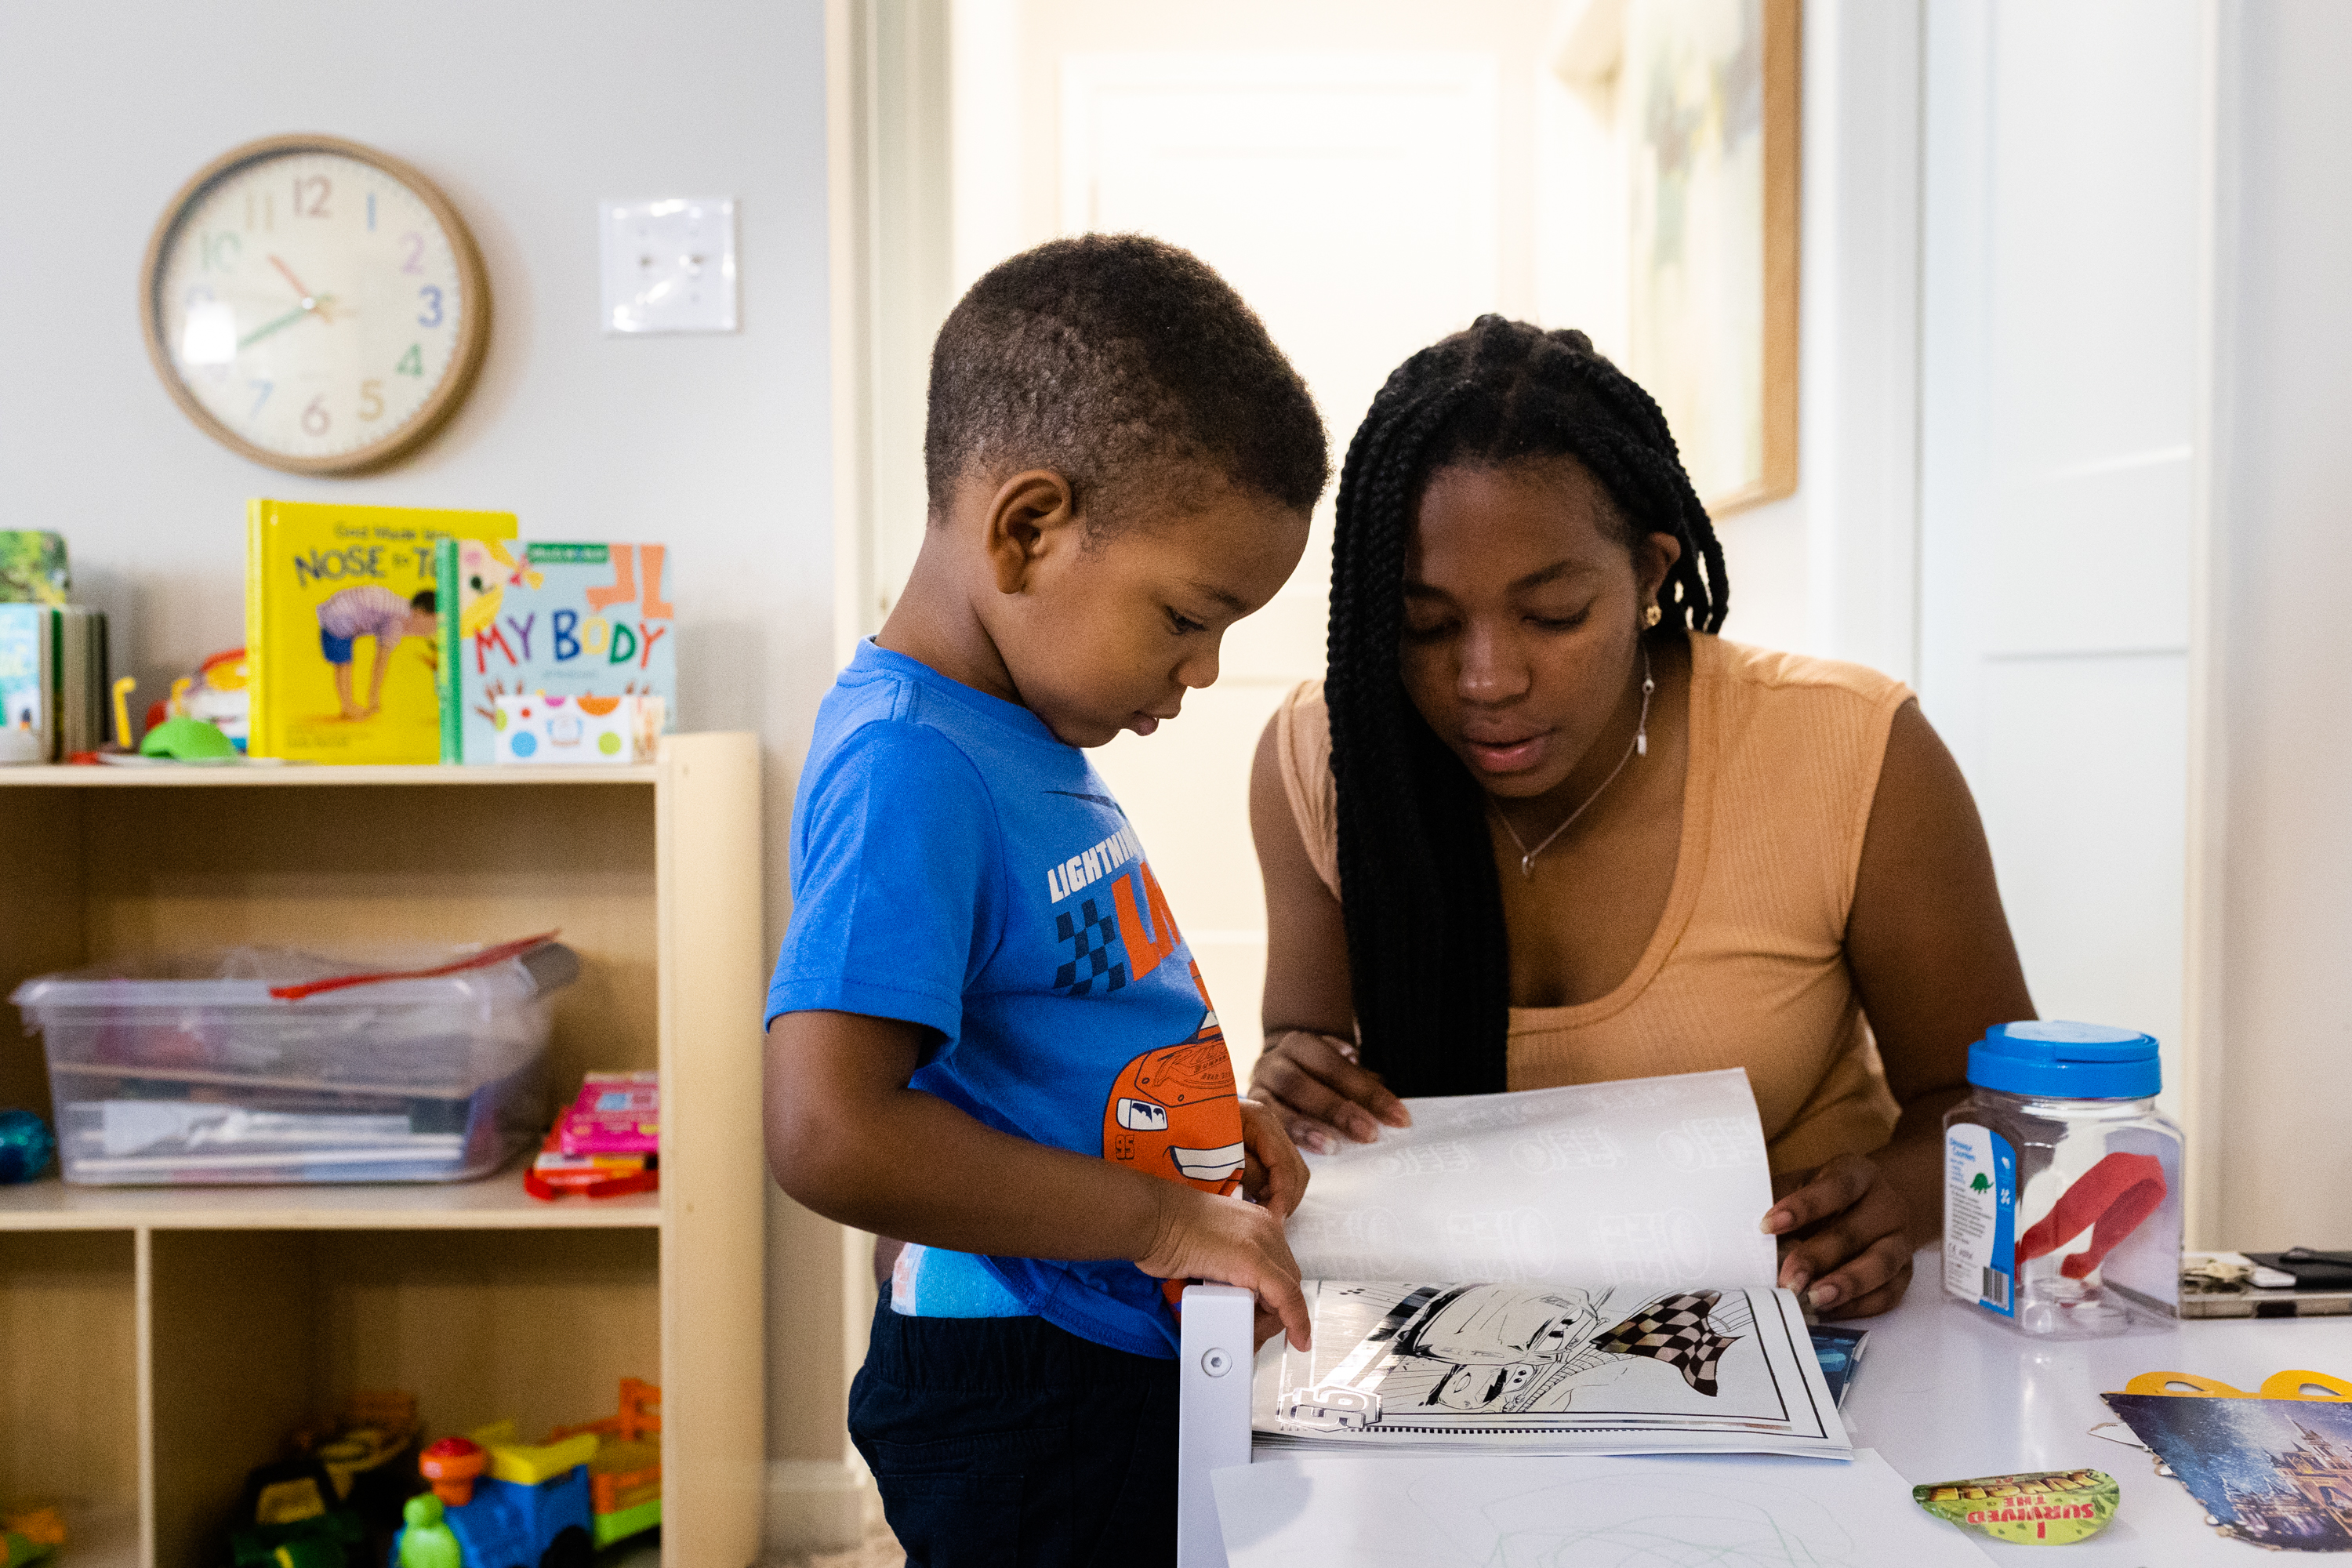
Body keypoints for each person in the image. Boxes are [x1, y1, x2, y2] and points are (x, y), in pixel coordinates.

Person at [1248, 317, 2035, 1320]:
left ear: (1653, 576)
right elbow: (1308, 1054)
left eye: (1554, 614)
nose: (1486, 679)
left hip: (1803, 1326)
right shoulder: (1323, 760)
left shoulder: (1855, 752)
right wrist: (1293, 1075)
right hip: (1465, 1335)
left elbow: (1997, 1108)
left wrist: (1903, 1198)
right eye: (1426, 626)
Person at [764, 235, 1326, 1566]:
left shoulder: (1012, 737)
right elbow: (825, 1129)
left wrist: (1201, 1136)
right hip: (1024, 1384)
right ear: (1028, 528)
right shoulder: (914, 762)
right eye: (1187, 616)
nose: (1201, 671)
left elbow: (1049, 1026)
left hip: (1090, 1341)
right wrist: (1162, 1219)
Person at [315, 583, 435, 718]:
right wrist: (374, 696)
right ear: (420, 613)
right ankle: (348, 708)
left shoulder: (405, 609)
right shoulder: (398, 620)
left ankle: (347, 707)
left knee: (343, 663)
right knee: (344, 664)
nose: (433, 629)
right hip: (340, 615)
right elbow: (381, 659)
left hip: (338, 609)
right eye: (433, 623)